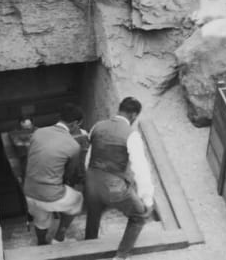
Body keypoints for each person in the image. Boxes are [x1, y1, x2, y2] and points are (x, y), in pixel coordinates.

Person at [84, 97, 154, 260]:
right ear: (134, 115)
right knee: (139, 216)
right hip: (112, 187)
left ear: (119, 110)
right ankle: (121, 256)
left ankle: (88, 249)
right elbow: (140, 168)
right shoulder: (131, 135)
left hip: (91, 180)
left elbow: (88, 159)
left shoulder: (97, 126)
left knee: (93, 212)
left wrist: (91, 181)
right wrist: (147, 198)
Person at [23, 104, 84, 245]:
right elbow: (70, 175)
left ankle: (42, 243)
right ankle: (59, 238)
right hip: (51, 195)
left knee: (41, 219)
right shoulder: (73, 145)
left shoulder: (38, 133)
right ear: (75, 124)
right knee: (78, 199)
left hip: (29, 191)